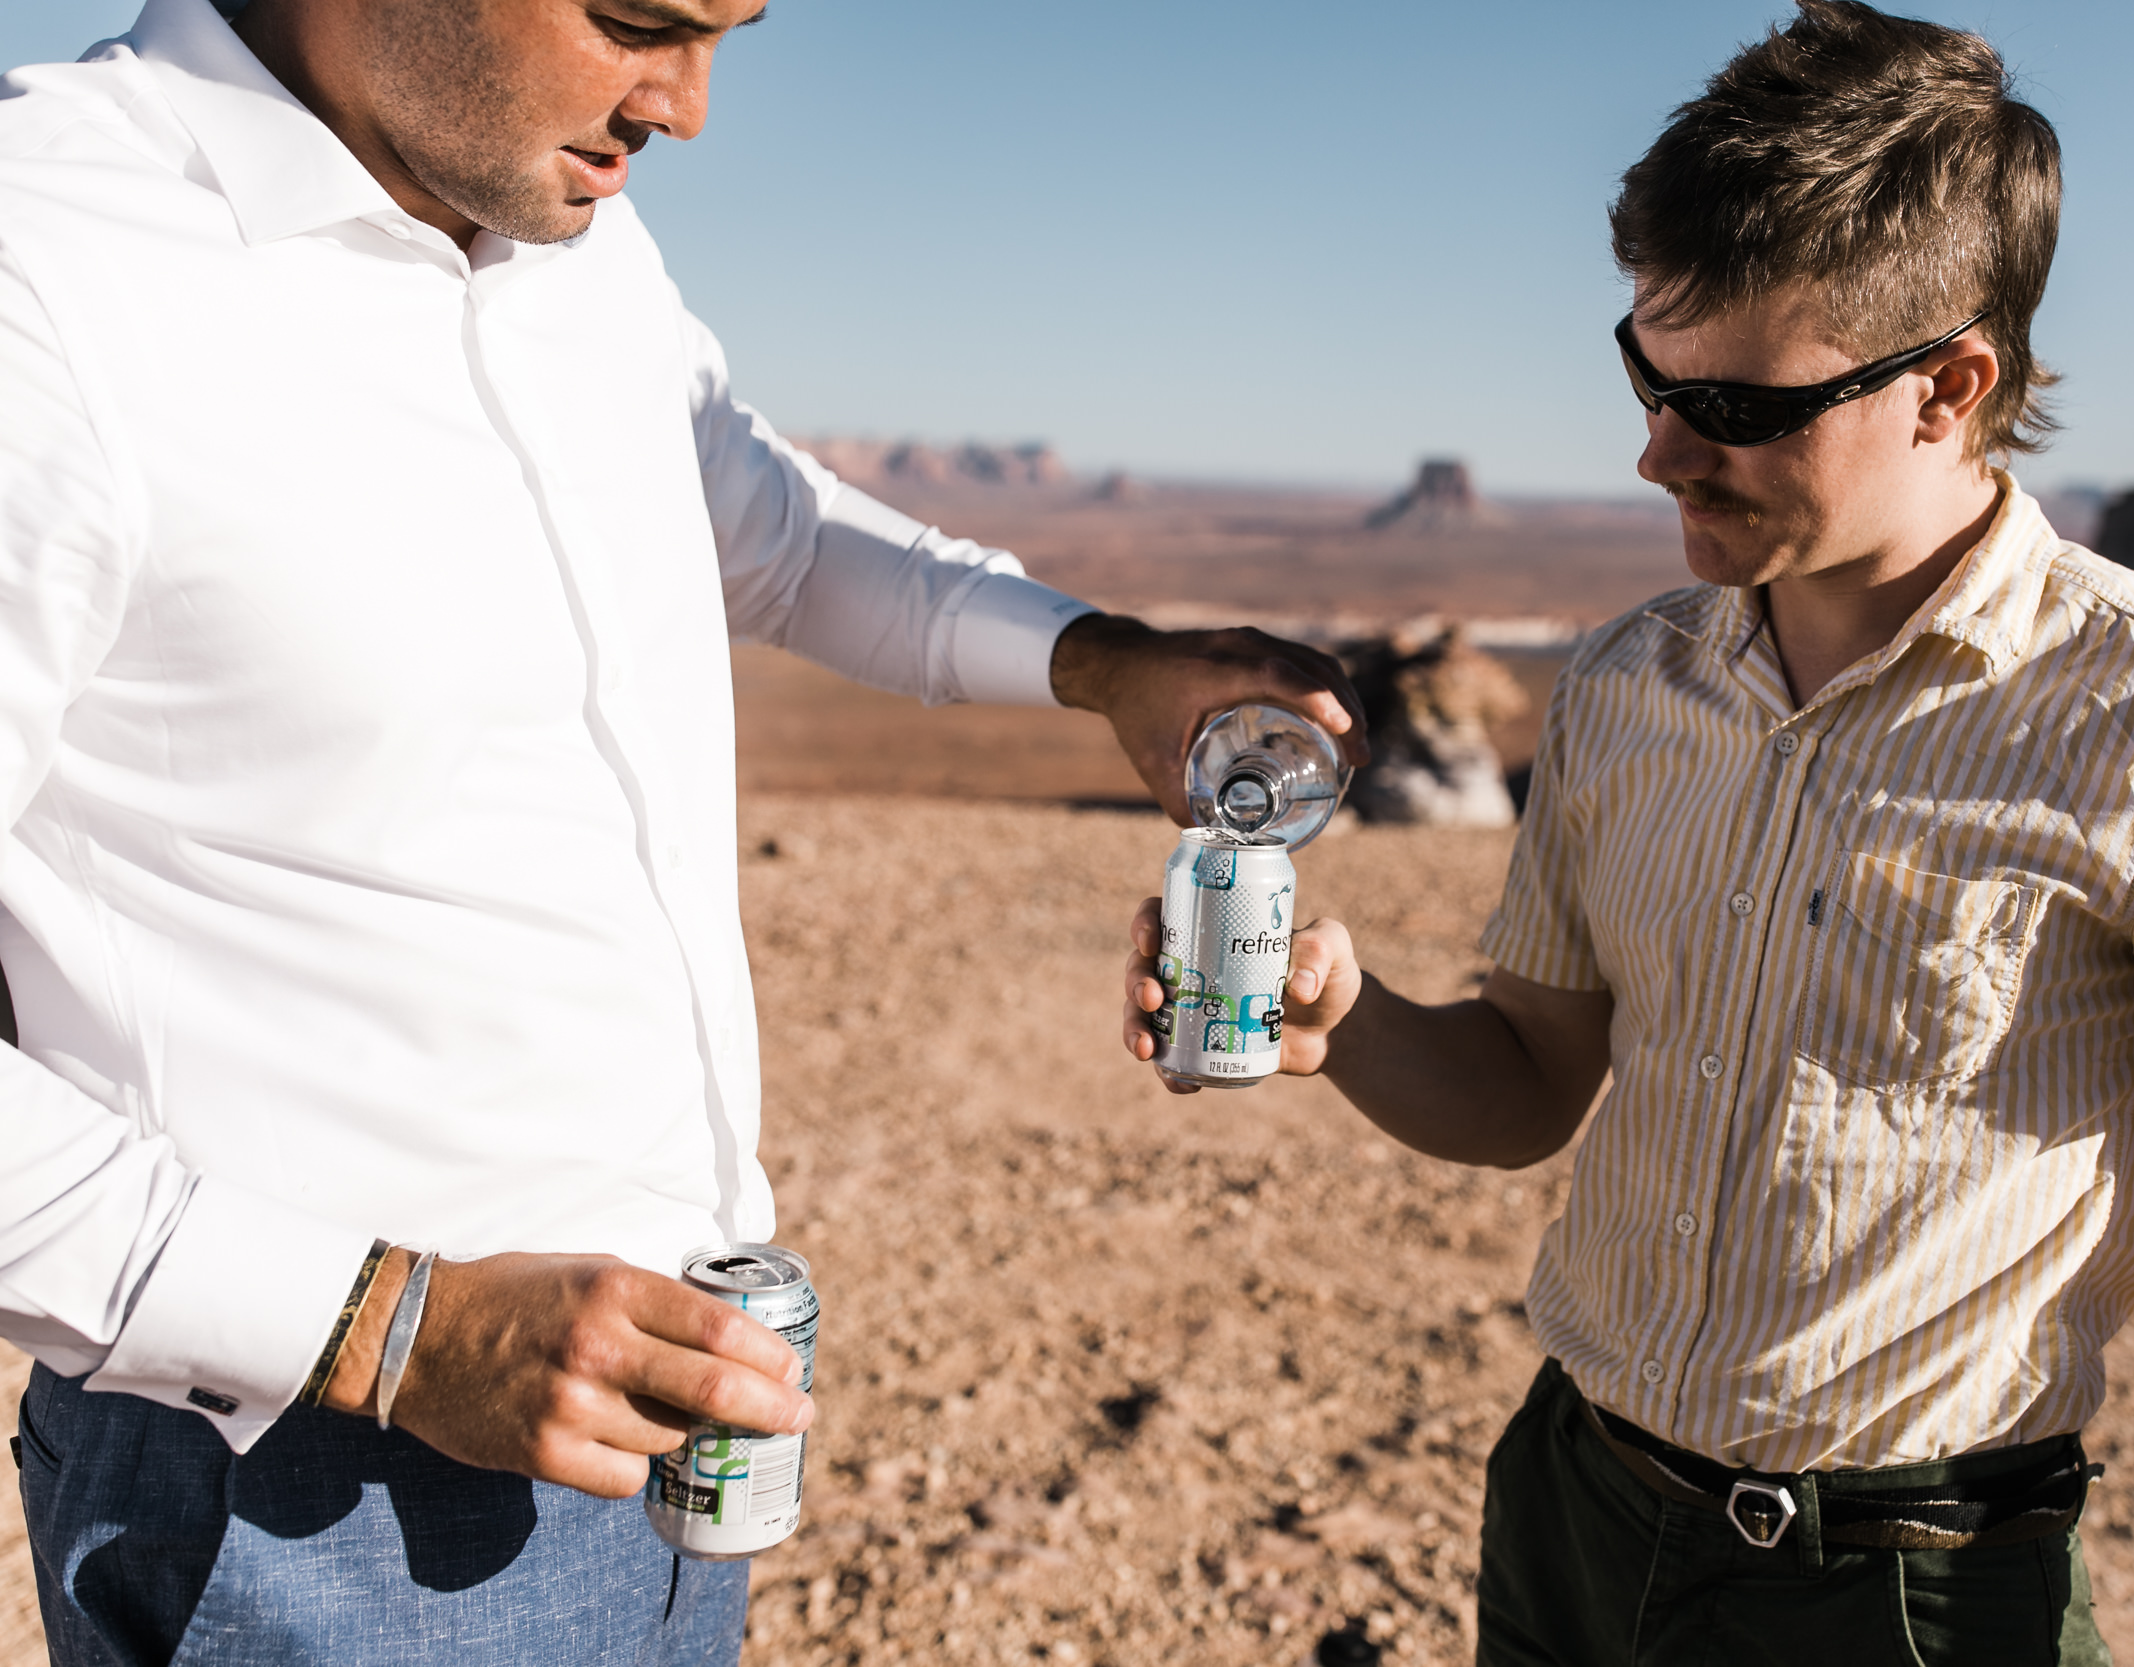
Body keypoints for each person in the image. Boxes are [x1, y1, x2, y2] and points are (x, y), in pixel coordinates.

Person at [0, 0, 1365, 1659]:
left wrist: (1106, 665)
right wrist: (394, 1330)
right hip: (309, 1491)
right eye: (641, 21)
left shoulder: (570, 233)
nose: (692, 109)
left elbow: (773, 533)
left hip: (670, 1420)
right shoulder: (49, 271)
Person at [1124, 4, 2134, 1662]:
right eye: (1646, 372)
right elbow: (1526, 1086)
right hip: (1574, 1519)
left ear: (1949, 385)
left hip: (1908, 1593)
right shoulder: (1623, 684)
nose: (1656, 449)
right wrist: (1344, 1027)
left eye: (1730, 403)